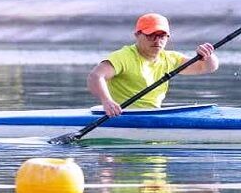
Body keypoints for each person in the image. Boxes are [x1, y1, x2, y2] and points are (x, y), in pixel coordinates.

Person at [87, 13, 218, 116]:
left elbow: (207, 67)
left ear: (168, 37)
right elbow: (96, 76)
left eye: (162, 36)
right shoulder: (123, 56)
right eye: (151, 35)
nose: (157, 40)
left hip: (153, 114)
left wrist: (208, 55)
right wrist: (107, 101)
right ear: (137, 35)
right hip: (121, 115)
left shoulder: (170, 59)